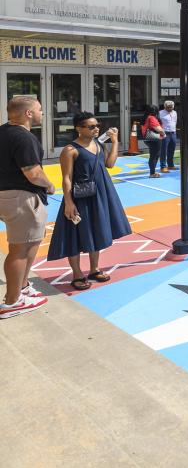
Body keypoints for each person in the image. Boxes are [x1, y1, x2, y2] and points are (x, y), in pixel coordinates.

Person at [47, 112, 131, 291]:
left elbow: (109, 164)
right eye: (91, 126)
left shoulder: (99, 144)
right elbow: (66, 178)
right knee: (74, 235)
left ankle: (94, 269)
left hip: (101, 194)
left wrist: (115, 141)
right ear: (79, 128)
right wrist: (69, 203)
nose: (96, 129)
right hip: (80, 197)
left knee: (97, 229)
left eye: (97, 126)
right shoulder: (70, 150)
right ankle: (77, 274)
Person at [0, 97, 53, 319]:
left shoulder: (3, 131)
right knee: (19, 250)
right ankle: (12, 302)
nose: (43, 113)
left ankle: (22, 287)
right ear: (28, 113)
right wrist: (49, 185)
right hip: (21, 198)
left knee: (29, 242)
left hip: (7, 195)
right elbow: (33, 173)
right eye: (40, 109)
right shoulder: (24, 138)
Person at [141, 105, 165, 178]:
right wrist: (164, 134)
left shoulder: (145, 117)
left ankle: (153, 171)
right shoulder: (152, 118)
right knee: (154, 155)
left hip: (148, 138)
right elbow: (158, 129)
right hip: (155, 139)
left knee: (154, 155)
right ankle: (152, 173)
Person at [159, 100, 178, 173]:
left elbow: (175, 122)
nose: (170, 109)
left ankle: (170, 165)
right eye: (168, 107)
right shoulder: (160, 113)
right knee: (164, 150)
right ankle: (163, 166)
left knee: (172, 149)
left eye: (171, 107)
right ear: (165, 106)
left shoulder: (175, 113)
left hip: (173, 132)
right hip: (165, 133)